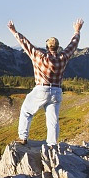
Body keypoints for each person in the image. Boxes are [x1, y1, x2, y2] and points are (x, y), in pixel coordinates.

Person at [7, 18, 84, 146]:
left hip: (41, 89)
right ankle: (52, 145)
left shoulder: (39, 56)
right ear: (58, 47)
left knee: (26, 110)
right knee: (53, 120)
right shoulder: (63, 57)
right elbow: (73, 45)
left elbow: (25, 43)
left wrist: (14, 31)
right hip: (57, 91)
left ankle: (23, 137)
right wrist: (77, 31)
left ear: (47, 47)